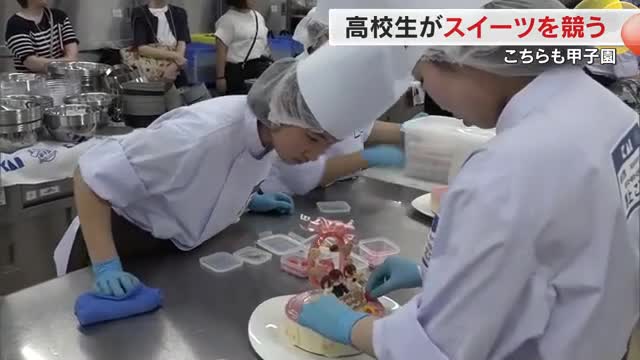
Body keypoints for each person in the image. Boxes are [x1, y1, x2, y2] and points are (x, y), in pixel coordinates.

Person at [294, 0, 640, 359]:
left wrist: (350, 326)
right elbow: (571, 254)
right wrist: (433, 273)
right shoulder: (611, 112)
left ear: (463, 56)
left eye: (423, 78)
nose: (433, 98)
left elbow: (437, 349)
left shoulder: (506, 169)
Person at [68, 57, 380, 298]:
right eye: (313, 139)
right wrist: (106, 266)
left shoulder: (268, 137)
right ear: (279, 115)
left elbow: (204, 177)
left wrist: (245, 200)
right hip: (120, 242)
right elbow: (89, 177)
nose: (316, 155)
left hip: (171, 253)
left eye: (327, 144)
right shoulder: (196, 136)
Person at [260, 120, 404, 196]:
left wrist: (409, 130)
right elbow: (311, 173)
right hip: (289, 197)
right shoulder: (311, 106)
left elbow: (362, 128)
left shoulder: (350, 98)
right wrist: (368, 157)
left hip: (332, 192)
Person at [215, 0, 272, 95]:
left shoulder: (258, 16)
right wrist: (220, 77)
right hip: (237, 71)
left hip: (260, 68)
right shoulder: (227, 20)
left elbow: (263, 43)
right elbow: (221, 51)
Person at [5, 0, 79, 73]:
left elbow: (72, 59)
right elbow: (32, 63)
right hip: (31, 83)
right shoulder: (16, 24)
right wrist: (65, 62)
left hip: (61, 81)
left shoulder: (59, 17)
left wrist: (45, 63)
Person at [130, 0, 191, 86]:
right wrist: (176, 56)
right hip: (152, 71)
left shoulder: (179, 13)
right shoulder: (140, 13)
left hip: (177, 69)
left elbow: (182, 43)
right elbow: (142, 49)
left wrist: (174, 67)